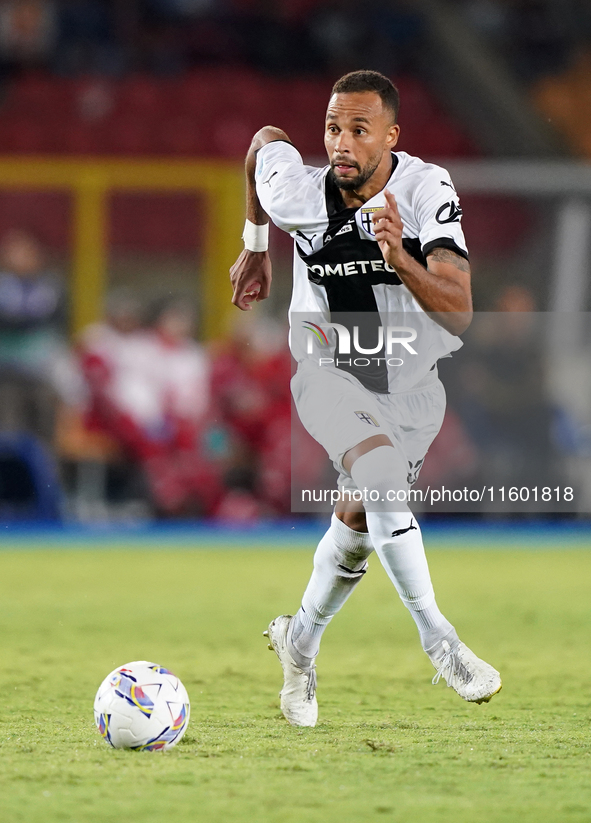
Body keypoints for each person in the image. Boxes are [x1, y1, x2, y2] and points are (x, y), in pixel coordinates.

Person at [229, 70, 501, 727]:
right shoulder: (297, 192)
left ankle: (298, 642)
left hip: (410, 384)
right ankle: (438, 637)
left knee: (356, 524)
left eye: (357, 129)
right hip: (326, 366)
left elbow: (459, 311)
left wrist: (399, 256)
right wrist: (255, 246)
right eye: (331, 128)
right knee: (379, 477)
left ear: (390, 136)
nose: (341, 142)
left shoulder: (424, 188)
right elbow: (263, 141)